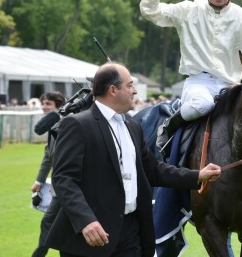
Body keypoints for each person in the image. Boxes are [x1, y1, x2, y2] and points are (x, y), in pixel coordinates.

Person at [45, 62, 221, 257]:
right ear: (113, 90)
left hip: (130, 233)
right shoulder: (77, 124)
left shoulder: (133, 127)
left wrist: (198, 175)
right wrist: (85, 221)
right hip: (91, 235)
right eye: (129, 85)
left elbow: (153, 170)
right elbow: (63, 179)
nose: (135, 91)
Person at [140, 0, 242, 147]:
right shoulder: (189, 10)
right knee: (203, 104)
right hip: (199, 84)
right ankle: (168, 125)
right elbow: (150, 11)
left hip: (233, 86)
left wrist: (241, 83)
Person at [30, 91, 66, 257]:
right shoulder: (52, 126)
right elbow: (48, 157)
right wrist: (39, 181)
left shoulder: (66, 125)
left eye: (48, 104)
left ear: (58, 107)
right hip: (60, 186)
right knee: (59, 225)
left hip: (68, 187)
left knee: (48, 222)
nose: (44, 107)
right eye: (43, 103)